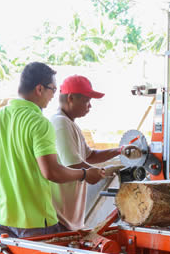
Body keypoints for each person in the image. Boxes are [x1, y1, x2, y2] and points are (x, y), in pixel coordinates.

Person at [0, 62, 105, 254]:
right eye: (52, 90)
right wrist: (85, 175)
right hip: (35, 221)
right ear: (39, 89)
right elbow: (52, 172)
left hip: (1, 218)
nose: (53, 96)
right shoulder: (39, 123)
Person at [49, 75, 138, 230]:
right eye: (86, 101)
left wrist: (120, 151)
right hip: (60, 216)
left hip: (69, 217)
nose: (89, 106)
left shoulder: (69, 122)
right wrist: (102, 171)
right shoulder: (60, 123)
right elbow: (75, 165)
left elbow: (89, 155)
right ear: (70, 98)